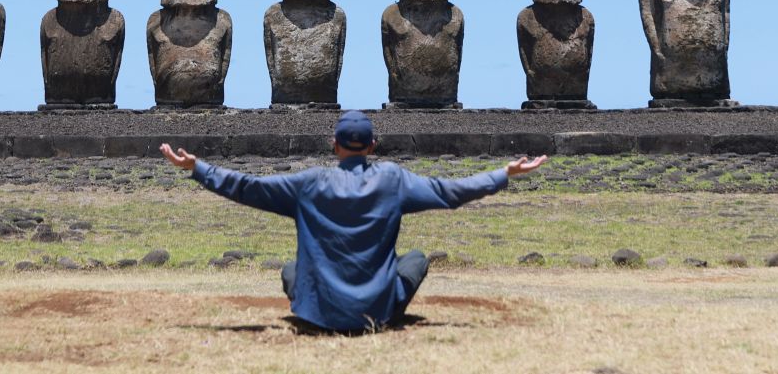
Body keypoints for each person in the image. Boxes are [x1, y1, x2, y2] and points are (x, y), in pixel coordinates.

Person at [159, 110, 547, 331]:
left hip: (319, 313)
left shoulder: (309, 184)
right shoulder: (393, 180)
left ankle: (318, 308)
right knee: (415, 259)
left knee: (292, 269)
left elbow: (247, 187)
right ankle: (376, 309)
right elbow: (451, 192)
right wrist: (503, 174)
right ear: (373, 146)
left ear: (335, 144)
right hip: (374, 313)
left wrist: (199, 168)